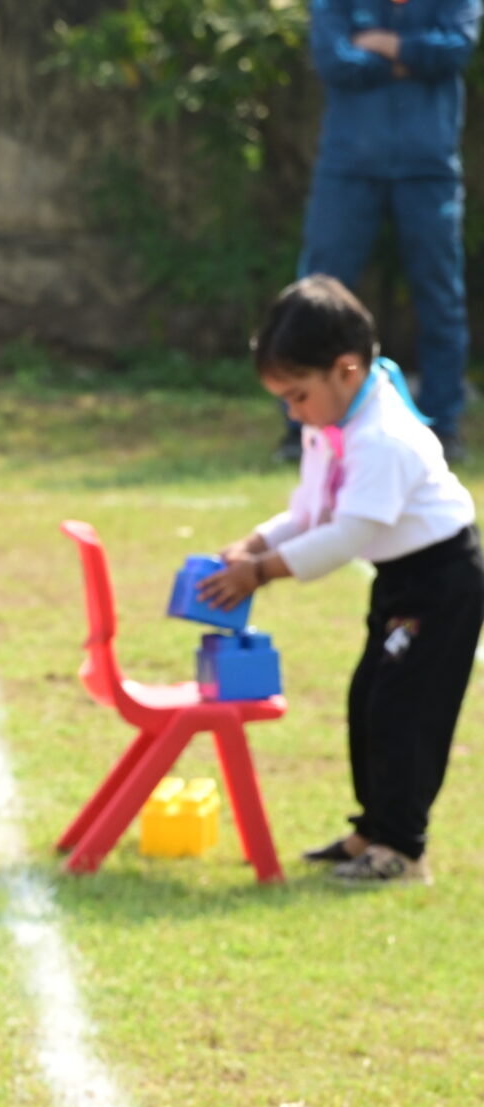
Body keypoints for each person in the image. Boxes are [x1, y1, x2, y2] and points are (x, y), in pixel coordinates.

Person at [205, 276, 481, 885]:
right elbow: (311, 512)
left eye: (297, 395)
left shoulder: (382, 438)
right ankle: (372, 830)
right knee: (369, 702)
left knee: (406, 711)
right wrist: (256, 543)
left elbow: (346, 535)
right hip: (401, 578)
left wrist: (261, 573)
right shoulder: (330, 424)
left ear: (346, 370)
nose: (292, 411)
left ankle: (402, 849)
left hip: (441, 582)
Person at [293, 0, 478, 462]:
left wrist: (382, 45)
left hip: (428, 168)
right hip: (348, 168)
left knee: (440, 296)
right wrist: (409, 59)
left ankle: (442, 425)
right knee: (318, 294)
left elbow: (454, 51)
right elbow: (335, 62)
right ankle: (305, 422)